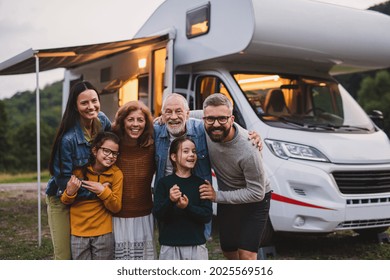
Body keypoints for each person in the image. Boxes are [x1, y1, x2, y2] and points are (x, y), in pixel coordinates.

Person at [154, 93, 263, 241]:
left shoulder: (202, 129)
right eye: (168, 112)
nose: (173, 117)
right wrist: (163, 117)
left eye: (179, 111)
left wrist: (250, 135)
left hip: (197, 198)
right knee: (169, 242)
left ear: (187, 113)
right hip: (169, 197)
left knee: (198, 243)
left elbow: (220, 117)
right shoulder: (155, 131)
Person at [199, 93, 272, 260]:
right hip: (229, 197)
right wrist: (164, 118)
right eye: (210, 119)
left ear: (232, 119)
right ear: (204, 118)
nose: (216, 124)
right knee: (229, 252)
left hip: (256, 199)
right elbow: (184, 114)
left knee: (246, 256)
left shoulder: (248, 149)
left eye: (222, 119)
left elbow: (256, 193)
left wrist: (217, 196)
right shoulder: (206, 123)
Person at [46, 81, 111, 260]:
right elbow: (63, 179)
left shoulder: (103, 121)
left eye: (94, 100)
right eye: (84, 103)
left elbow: (116, 141)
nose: (91, 106)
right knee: (65, 256)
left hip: (88, 196)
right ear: (75, 106)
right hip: (62, 198)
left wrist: (156, 122)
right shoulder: (67, 139)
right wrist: (98, 191)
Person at [60, 131, 123, 260]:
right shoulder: (78, 171)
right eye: (106, 151)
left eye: (115, 153)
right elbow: (65, 201)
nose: (111, 156)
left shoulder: (116, 174)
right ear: (95, 151)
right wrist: (70, 193)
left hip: (104, 233)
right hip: (78, 232)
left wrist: (102, 191)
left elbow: (116, 207)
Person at [153, 136, 212, 260]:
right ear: (173, 157)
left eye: (194, 151)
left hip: (196, 245)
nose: (191, 155)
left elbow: (206, 216)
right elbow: (158, 214)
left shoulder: (201, 184)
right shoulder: (164, 183)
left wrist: (187, 207)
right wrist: (170, 200)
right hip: (170, 246)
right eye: (186, 151)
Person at [111, 100, 156, 260]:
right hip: (117, 216)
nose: (135, 124)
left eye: (140, 120)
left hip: (144, 215)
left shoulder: (151, 146)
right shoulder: (113, 146)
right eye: (130, 119)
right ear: (122, 121)